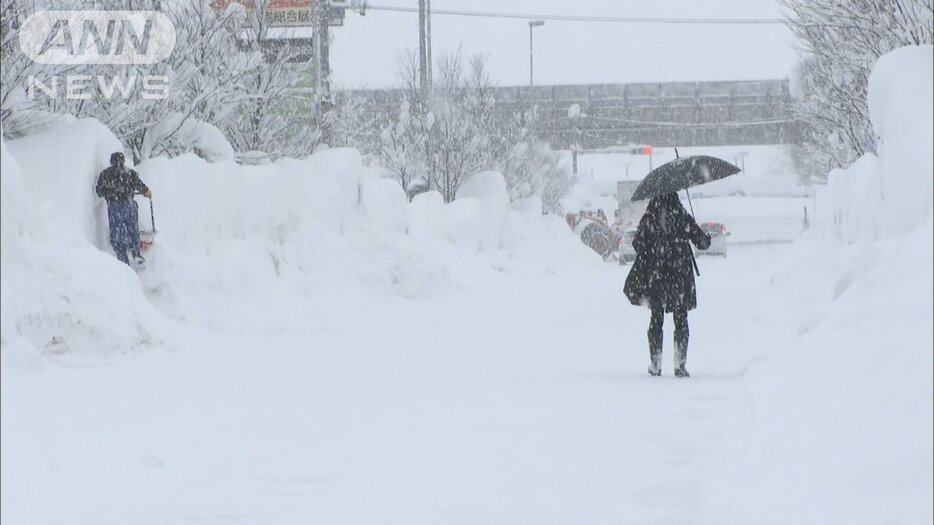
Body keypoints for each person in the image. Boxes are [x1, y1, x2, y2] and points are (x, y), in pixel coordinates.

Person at [625, 192, 711, 377]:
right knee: (681, 321)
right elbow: (702, 243)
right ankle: (679, 365)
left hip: (657, 278)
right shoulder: (681, 214)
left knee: (656, 320)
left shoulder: (650, 215)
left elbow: (637, 243)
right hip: (679, 278)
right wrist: (703, 237)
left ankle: (655, 365)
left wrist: (655, 248)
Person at [95, 152, 152, 265]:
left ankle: (123, 260)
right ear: (123, 161)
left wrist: (109, 192)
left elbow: (99, 192)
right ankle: (136, 253)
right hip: (129, 205)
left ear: (111, 162)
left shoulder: (105, 174)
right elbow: (139, 185)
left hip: (114, 206)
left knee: (117, 232)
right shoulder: (130, 173)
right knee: (133, 228)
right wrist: (146, 191)